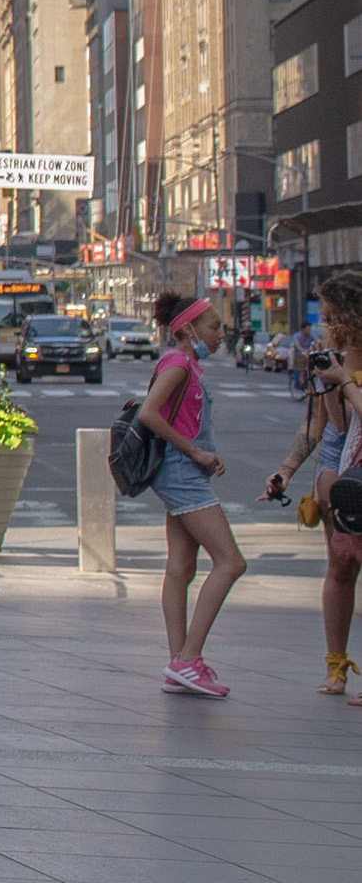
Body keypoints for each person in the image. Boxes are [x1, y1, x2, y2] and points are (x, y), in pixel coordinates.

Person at [140, 287, 247, 698]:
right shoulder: (178, 365)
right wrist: (196, 451)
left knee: (181, 568)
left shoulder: (187, 364)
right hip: (182, 473)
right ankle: (187, 659)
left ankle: (180, 664)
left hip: (180, 473)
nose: (221, 334)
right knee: (231, 562)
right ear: (188, 329)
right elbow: (150, 413)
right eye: (214, 326)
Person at [264, 274, 362, 698]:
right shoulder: (330, 359)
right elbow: (318, 425)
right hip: (341, 470)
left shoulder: (343, 367)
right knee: (340, 568)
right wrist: (285, 470)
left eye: (330, 315)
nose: (323, 322)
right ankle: (335, 667)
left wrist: (344, 380)